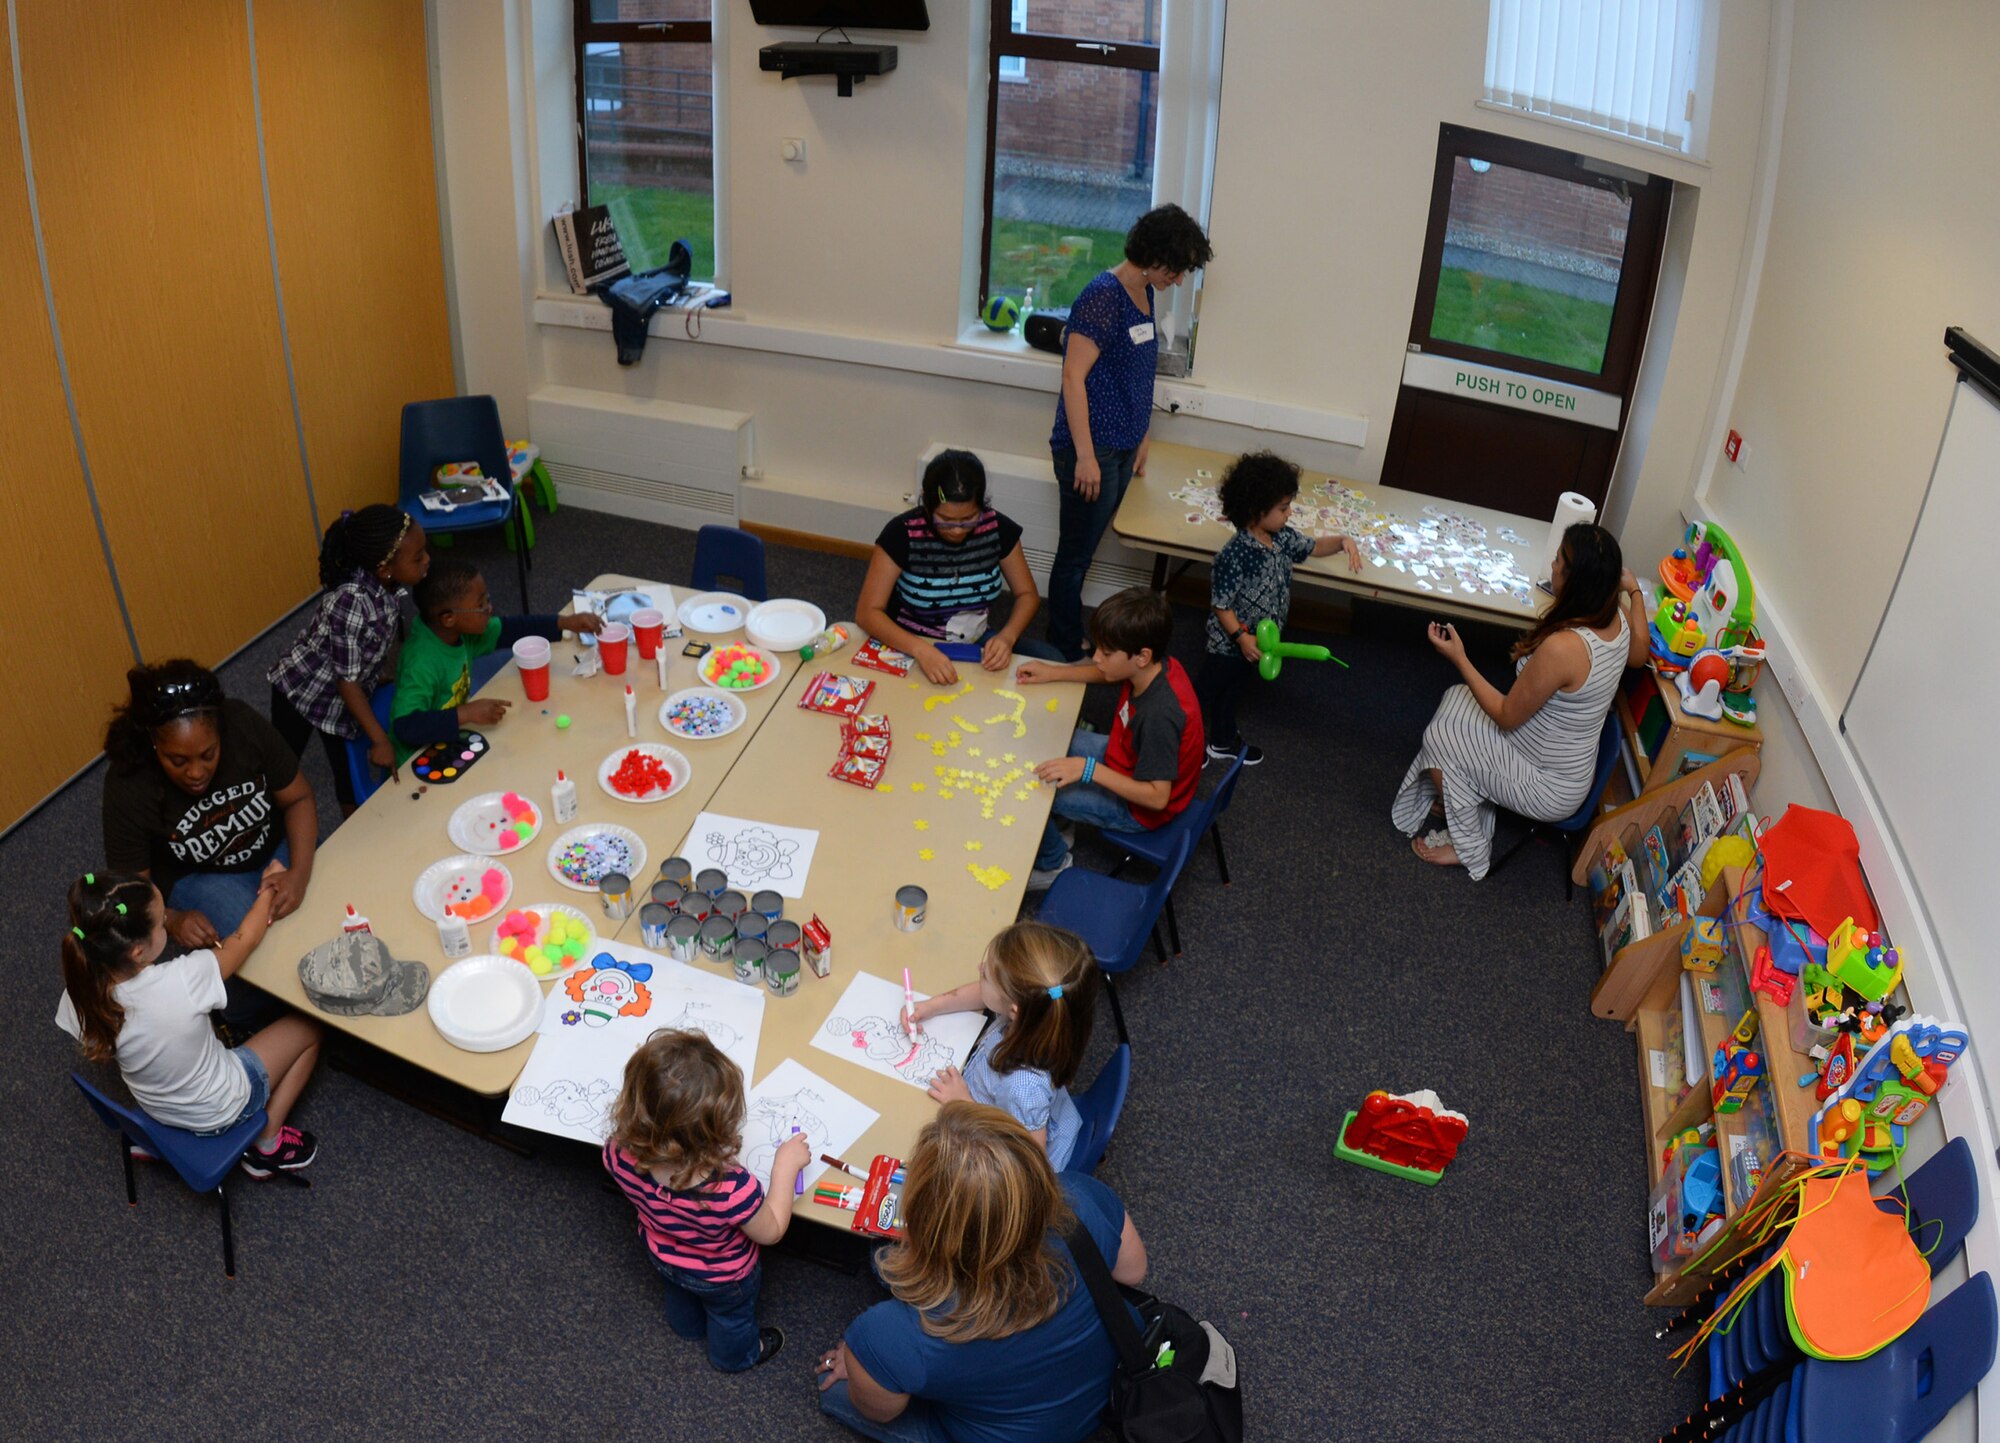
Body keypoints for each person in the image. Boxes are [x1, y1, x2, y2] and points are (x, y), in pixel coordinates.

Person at [816, 1102, 1148, 1443]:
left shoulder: (888, 1334)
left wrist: (861, 1364)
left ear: (926, 1223)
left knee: (835, 1388)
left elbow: (880, 1411)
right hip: (1117, 1381)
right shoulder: (1081, 1198)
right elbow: (1133, 1272)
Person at [1391, 522, 1649, 878]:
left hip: (1548, 785)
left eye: (1559, 560)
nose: (1553, 566)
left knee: (1440, 738)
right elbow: (1639, 655)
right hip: (1565, 761)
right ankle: (1462, 796)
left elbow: (1505, 716)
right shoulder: (1616, 617)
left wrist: (1460, 658)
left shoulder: (1565, 649)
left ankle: (1470, 848)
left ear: (1576, 581)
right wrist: (1633, 590)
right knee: (1456, 699)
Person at [58, 871, 322, 1175]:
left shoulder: (80, 992)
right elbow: (243, 940)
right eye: (161, 923)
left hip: (158, 1111)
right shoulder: (183, 980)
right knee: (309, 1027)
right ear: (137, 951)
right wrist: (268, 892)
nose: (165, 927)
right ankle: (268, 1143)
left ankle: (164, 1141)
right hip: (221, 1108)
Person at [1045, 204, 1213, 660]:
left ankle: (1068, 632)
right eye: (1178, 270)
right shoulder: (1103, 296)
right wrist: (1084, 456)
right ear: (1156, 256)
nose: (1179, 280)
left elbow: (1138, 372)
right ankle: (1062, 641)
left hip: (1122, 444)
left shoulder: (1145, 293)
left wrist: (1143, 434)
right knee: (1076, 554)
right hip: (1092, 449)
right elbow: (1073, 378)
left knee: (1089, 545)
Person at [602, 1030, 808, 1373]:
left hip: (662, 1253)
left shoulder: (616, 1152)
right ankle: (735, 1358)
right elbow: (771, 1231)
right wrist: (785, 1166)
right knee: (730, 1319)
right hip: (724, 1278)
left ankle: (687, 1328)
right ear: (716, 1131)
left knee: (680, 1293)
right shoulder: (729, 1188)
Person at [1015, 587, 1204, 890]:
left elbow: (1157, 798)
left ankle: (1054, 863)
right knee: (1052, 738)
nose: (1095, 657)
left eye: (1105, 651)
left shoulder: (1159, 715)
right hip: (1126, 755)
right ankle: (1063, 819)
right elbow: (1107, 673)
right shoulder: (1154, 666)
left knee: (1030, 791)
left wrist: (1088, 770)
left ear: (1142, 656)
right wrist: (1054, 672)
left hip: (1138, 808)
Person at [1195, 450, 1362, 766]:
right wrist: (1241, 638)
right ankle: (1182, 742)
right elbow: (1221, 606)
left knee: (1233, 694)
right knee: (1204, 692)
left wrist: (1343, 541)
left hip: (1258, 644)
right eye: (1283, 508)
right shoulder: (1235, 555)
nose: (1289, 513)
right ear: (1257, 511)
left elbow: (1313, 546)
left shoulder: (1282, 537)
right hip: (1229, 645)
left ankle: (1222, 741)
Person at [268, 504, 431, 815]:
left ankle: (356, 827)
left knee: (347, 776)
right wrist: (380, 740)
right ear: (384, 568)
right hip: (302, 693)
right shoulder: (351, 602)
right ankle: (270, 823)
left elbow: (364, 648)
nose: (427, 560)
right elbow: (346, 682)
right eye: (418, 556)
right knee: (281, 770)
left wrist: (372, 673)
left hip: (341, 697)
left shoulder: (385, 584)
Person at [856, 449, 1063, 685]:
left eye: (968, 519)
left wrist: (1007, 637)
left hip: (975, 641)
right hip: (912, 642)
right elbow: (867, 613)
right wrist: (921, 650)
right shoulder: (901, 533)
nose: (957, 530)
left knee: (1053, 659)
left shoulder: (998, 529)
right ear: (926, 502)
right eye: (945, 520)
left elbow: (1028, 595)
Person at [910, 921, 1099, 1170]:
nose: (980, 968)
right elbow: (984, 994)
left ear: (1014, 1010)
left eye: (986, 975)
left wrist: (962, 1103)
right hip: (1008, 1108)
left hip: (1008, 1145)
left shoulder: (1022, 1086)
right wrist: (932, 1006)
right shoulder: (1031, 1013)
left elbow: (1026, 1153)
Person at [391, 557, 602, 764]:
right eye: (481, 604)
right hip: (418, 758)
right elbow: (405, 727)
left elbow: (510, 629)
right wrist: (465, 713)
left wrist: (563, 622)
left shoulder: (458, 631)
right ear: (449, 618)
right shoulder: (421, 662)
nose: (489, 609)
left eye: (487, 599)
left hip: (451, 738)